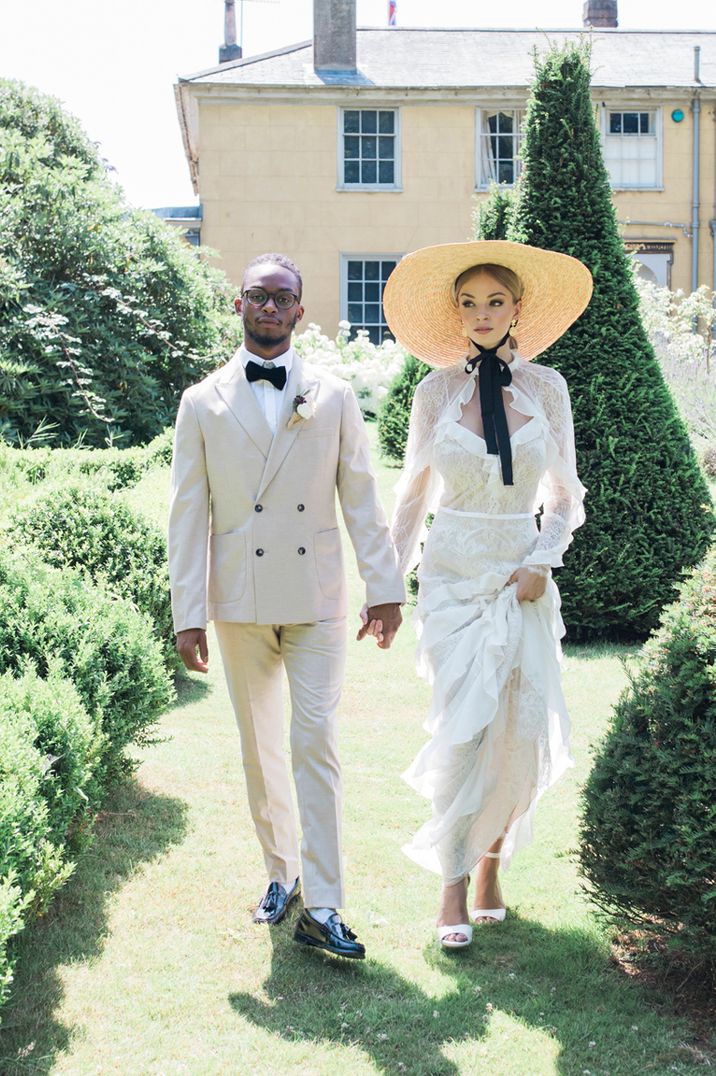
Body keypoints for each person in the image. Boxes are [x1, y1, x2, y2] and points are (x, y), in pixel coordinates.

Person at [168, 252, 405, 960]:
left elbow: (360, 495)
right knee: (260, 748)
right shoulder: (201, 401)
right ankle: (281, 873)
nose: (268, 307)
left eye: (282, 297)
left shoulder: (332, 396)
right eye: (256, 295)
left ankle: (325, 905)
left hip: (316, 598)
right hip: (239, 599)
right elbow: (186, 514)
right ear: (238, 306)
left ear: (301, 311)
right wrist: (188, 612)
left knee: (315, 743)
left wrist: (385, 588)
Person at [380, 239, 592, 949]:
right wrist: (385, 584)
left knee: (518, 730)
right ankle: (449, 887)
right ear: (456, 313)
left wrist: (544, 559)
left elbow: (563, 494)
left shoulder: (549, 390)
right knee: (463, 728)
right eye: (468, 303)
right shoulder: (434, 392)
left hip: (521, 573)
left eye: (494, 300)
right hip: (451, 577)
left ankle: (492, 868)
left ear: (517, 307)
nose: (481, 313)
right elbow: (412, 496)